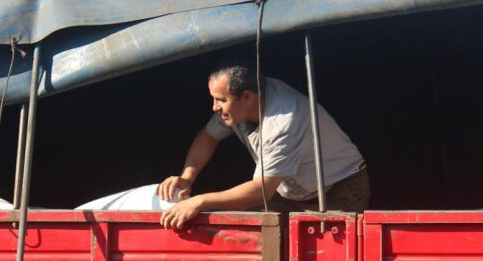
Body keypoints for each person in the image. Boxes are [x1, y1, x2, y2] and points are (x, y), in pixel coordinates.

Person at [158, 64, 369, 230]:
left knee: (319, 259)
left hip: (338, 190)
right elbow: (208, 137)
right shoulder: (239, 105)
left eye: (220, 100)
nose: (214, 107)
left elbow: (261, 191)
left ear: (247, 97)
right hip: (287, 192)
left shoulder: (283, 121)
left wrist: (200, 201)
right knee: (247, 233)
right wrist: (187, 177)